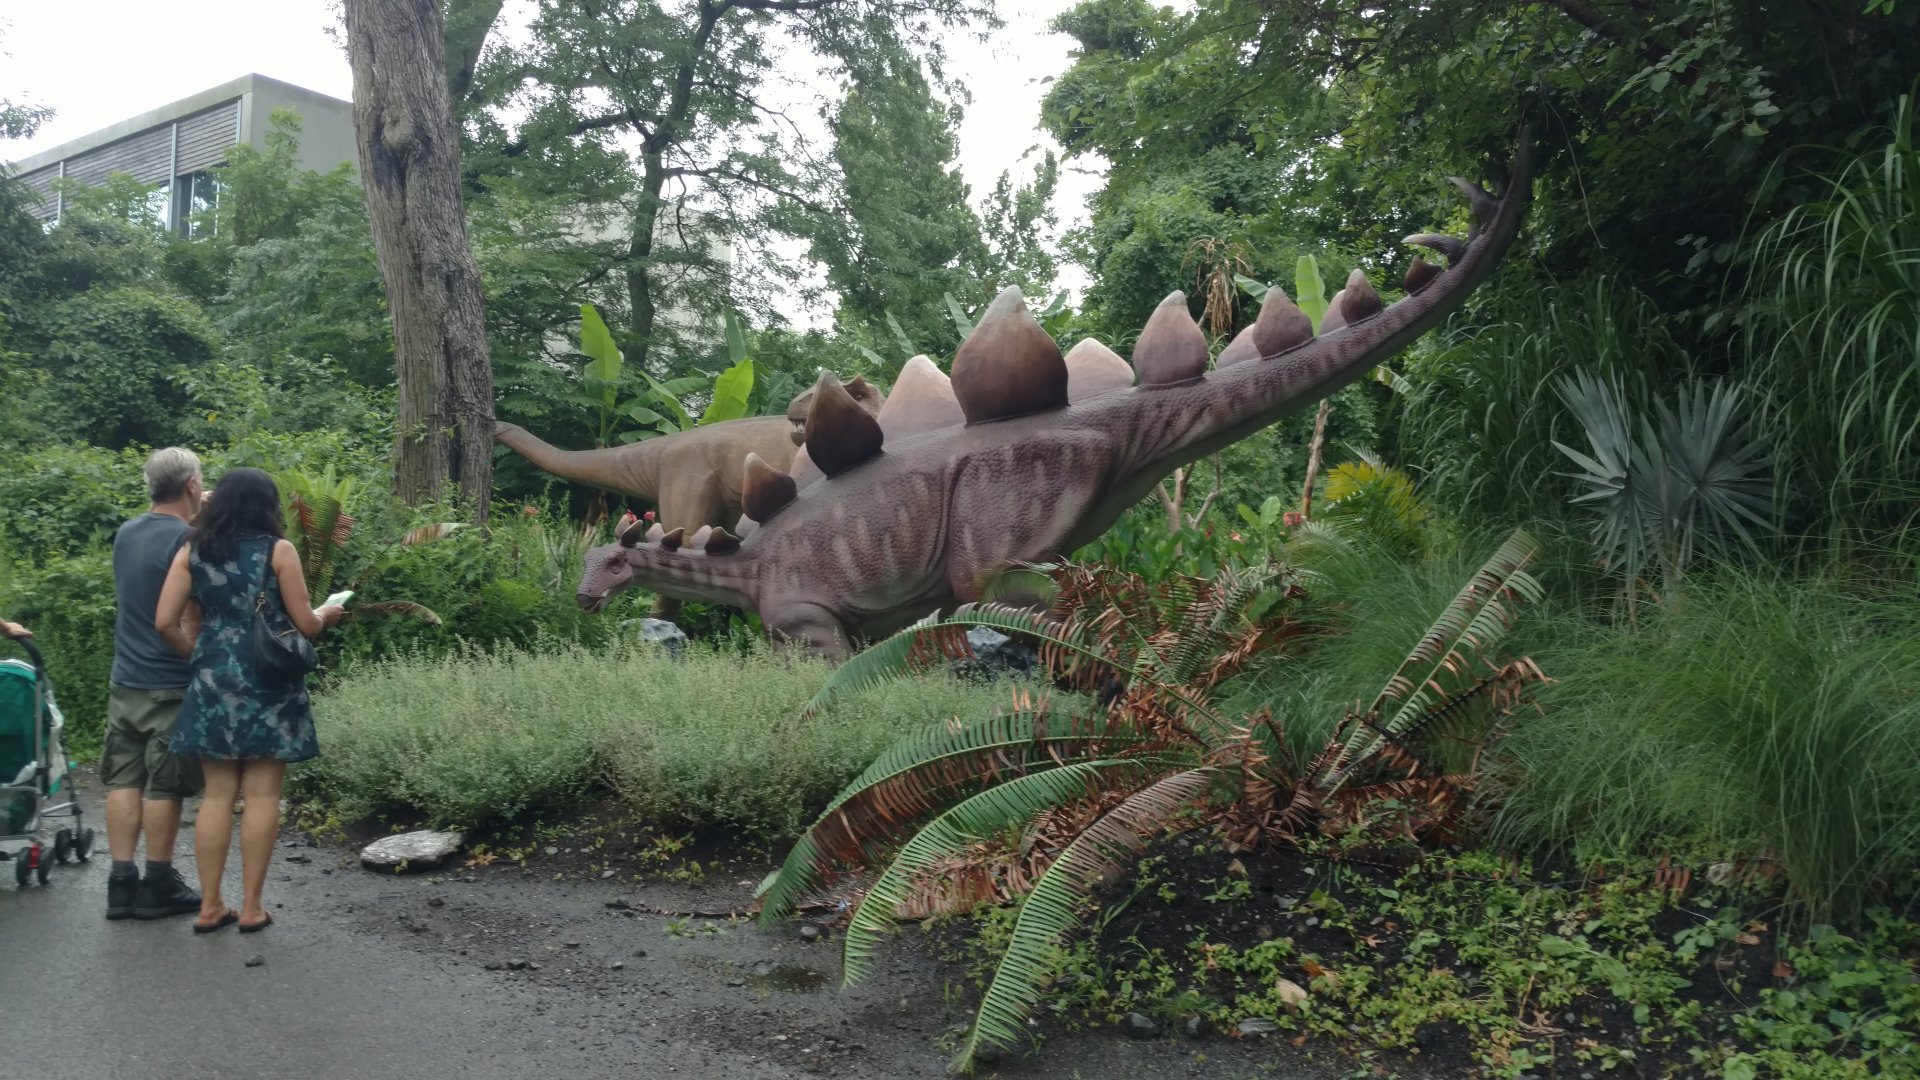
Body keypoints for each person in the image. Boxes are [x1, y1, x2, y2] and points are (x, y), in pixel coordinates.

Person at [154, 467, 344, 933]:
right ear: (267, 505)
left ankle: (210, 906)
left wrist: (198, 657)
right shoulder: (279, 550)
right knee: (262, 795)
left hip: (212, 677)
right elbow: (305, 624)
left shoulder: (192, 549)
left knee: (216, 796)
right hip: (269, 681)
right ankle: (253, 907)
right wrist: (328, 614)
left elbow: (164, 621)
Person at [102, 447, 209, 921]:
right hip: (170, 683)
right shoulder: (189, 540)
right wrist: (198, 661)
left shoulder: (126, 534)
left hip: (125, 679)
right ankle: (159, 882)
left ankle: (121, 883)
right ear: (190, 486)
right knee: (166, 786)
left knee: (125, 779)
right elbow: (188, 614)